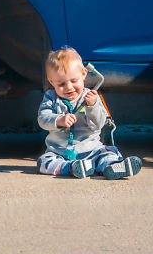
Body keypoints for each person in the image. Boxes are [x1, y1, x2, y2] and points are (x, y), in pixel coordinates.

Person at [37, 47, 142, 179]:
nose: (69, 87)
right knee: (44, 161)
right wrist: (58, 120)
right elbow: (42, 118)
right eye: (61, 84)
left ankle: (112, 166)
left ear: (83, 74)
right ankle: (70, 168)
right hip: (60, 152)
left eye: (73, 81)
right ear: (52, 81)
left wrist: (92, 106)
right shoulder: (51, 97)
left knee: (107, 154)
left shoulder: (91, 97)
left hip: (91, 149)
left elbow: (99, 124)